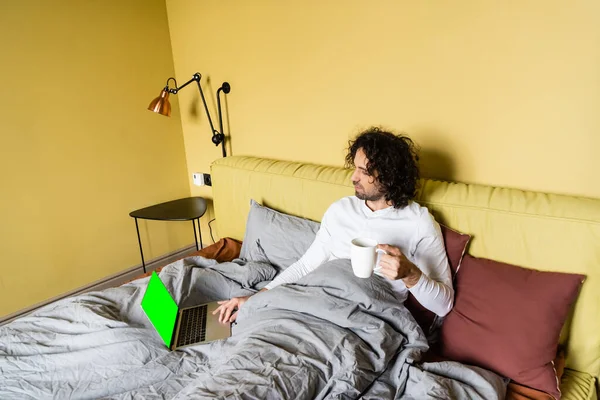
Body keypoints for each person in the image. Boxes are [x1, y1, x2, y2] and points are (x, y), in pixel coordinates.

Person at [214, 127, 454, 323]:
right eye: (355, 168)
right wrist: (256, 298)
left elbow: (443, 306)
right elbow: (306, 265)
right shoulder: (341, 210)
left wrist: (411, 275)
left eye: (364, 171)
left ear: (389, 176)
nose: (353, 177)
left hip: (365, 316)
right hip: (316, 303)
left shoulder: (418, 222)